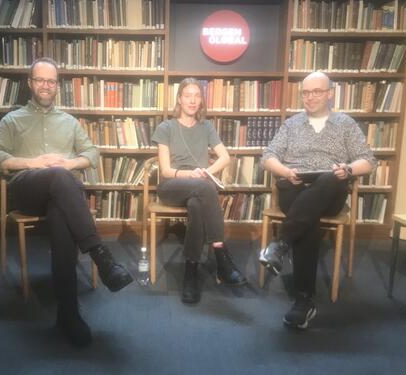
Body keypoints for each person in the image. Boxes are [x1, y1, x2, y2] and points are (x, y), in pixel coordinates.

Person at [0, 57, 133, 347]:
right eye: (39, 80)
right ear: (30, 83)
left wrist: (67, 163)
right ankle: (101, 255)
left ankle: (68, 314)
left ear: (57, 86)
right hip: (27, 189)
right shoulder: (12, 119)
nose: (45, 85)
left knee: (61, 211)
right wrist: (33, 163)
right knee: (58, 177)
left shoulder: (68, 122)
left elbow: (91, 154)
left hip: (60, 197)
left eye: (50, 81)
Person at [259, 71, 375, 329]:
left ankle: (282, 244)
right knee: (307, 215)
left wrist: (347, 169)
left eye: (316, 92)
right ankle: (303, 301)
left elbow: (368, 161)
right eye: (305, 92)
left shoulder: (345, 124)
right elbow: (267, 157)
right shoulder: (291, 124)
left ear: (330, 94)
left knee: (328, 180)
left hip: (330, 188)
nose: (309, 97)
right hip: (295, 187)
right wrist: (286, 171)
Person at [151, 78, 247, 304]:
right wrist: (191, 175)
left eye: (197, 96)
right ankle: (221, 254)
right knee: (204, 188)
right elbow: (165, 171)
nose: (192, 100)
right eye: (187, 95)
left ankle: (190, 272)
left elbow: (225, 157)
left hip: (199, 187)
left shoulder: (207, 127)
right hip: (172, 185)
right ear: (179, 99)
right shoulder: (166, 127)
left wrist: (206, 171)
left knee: (197, 204)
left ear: (201, 100)